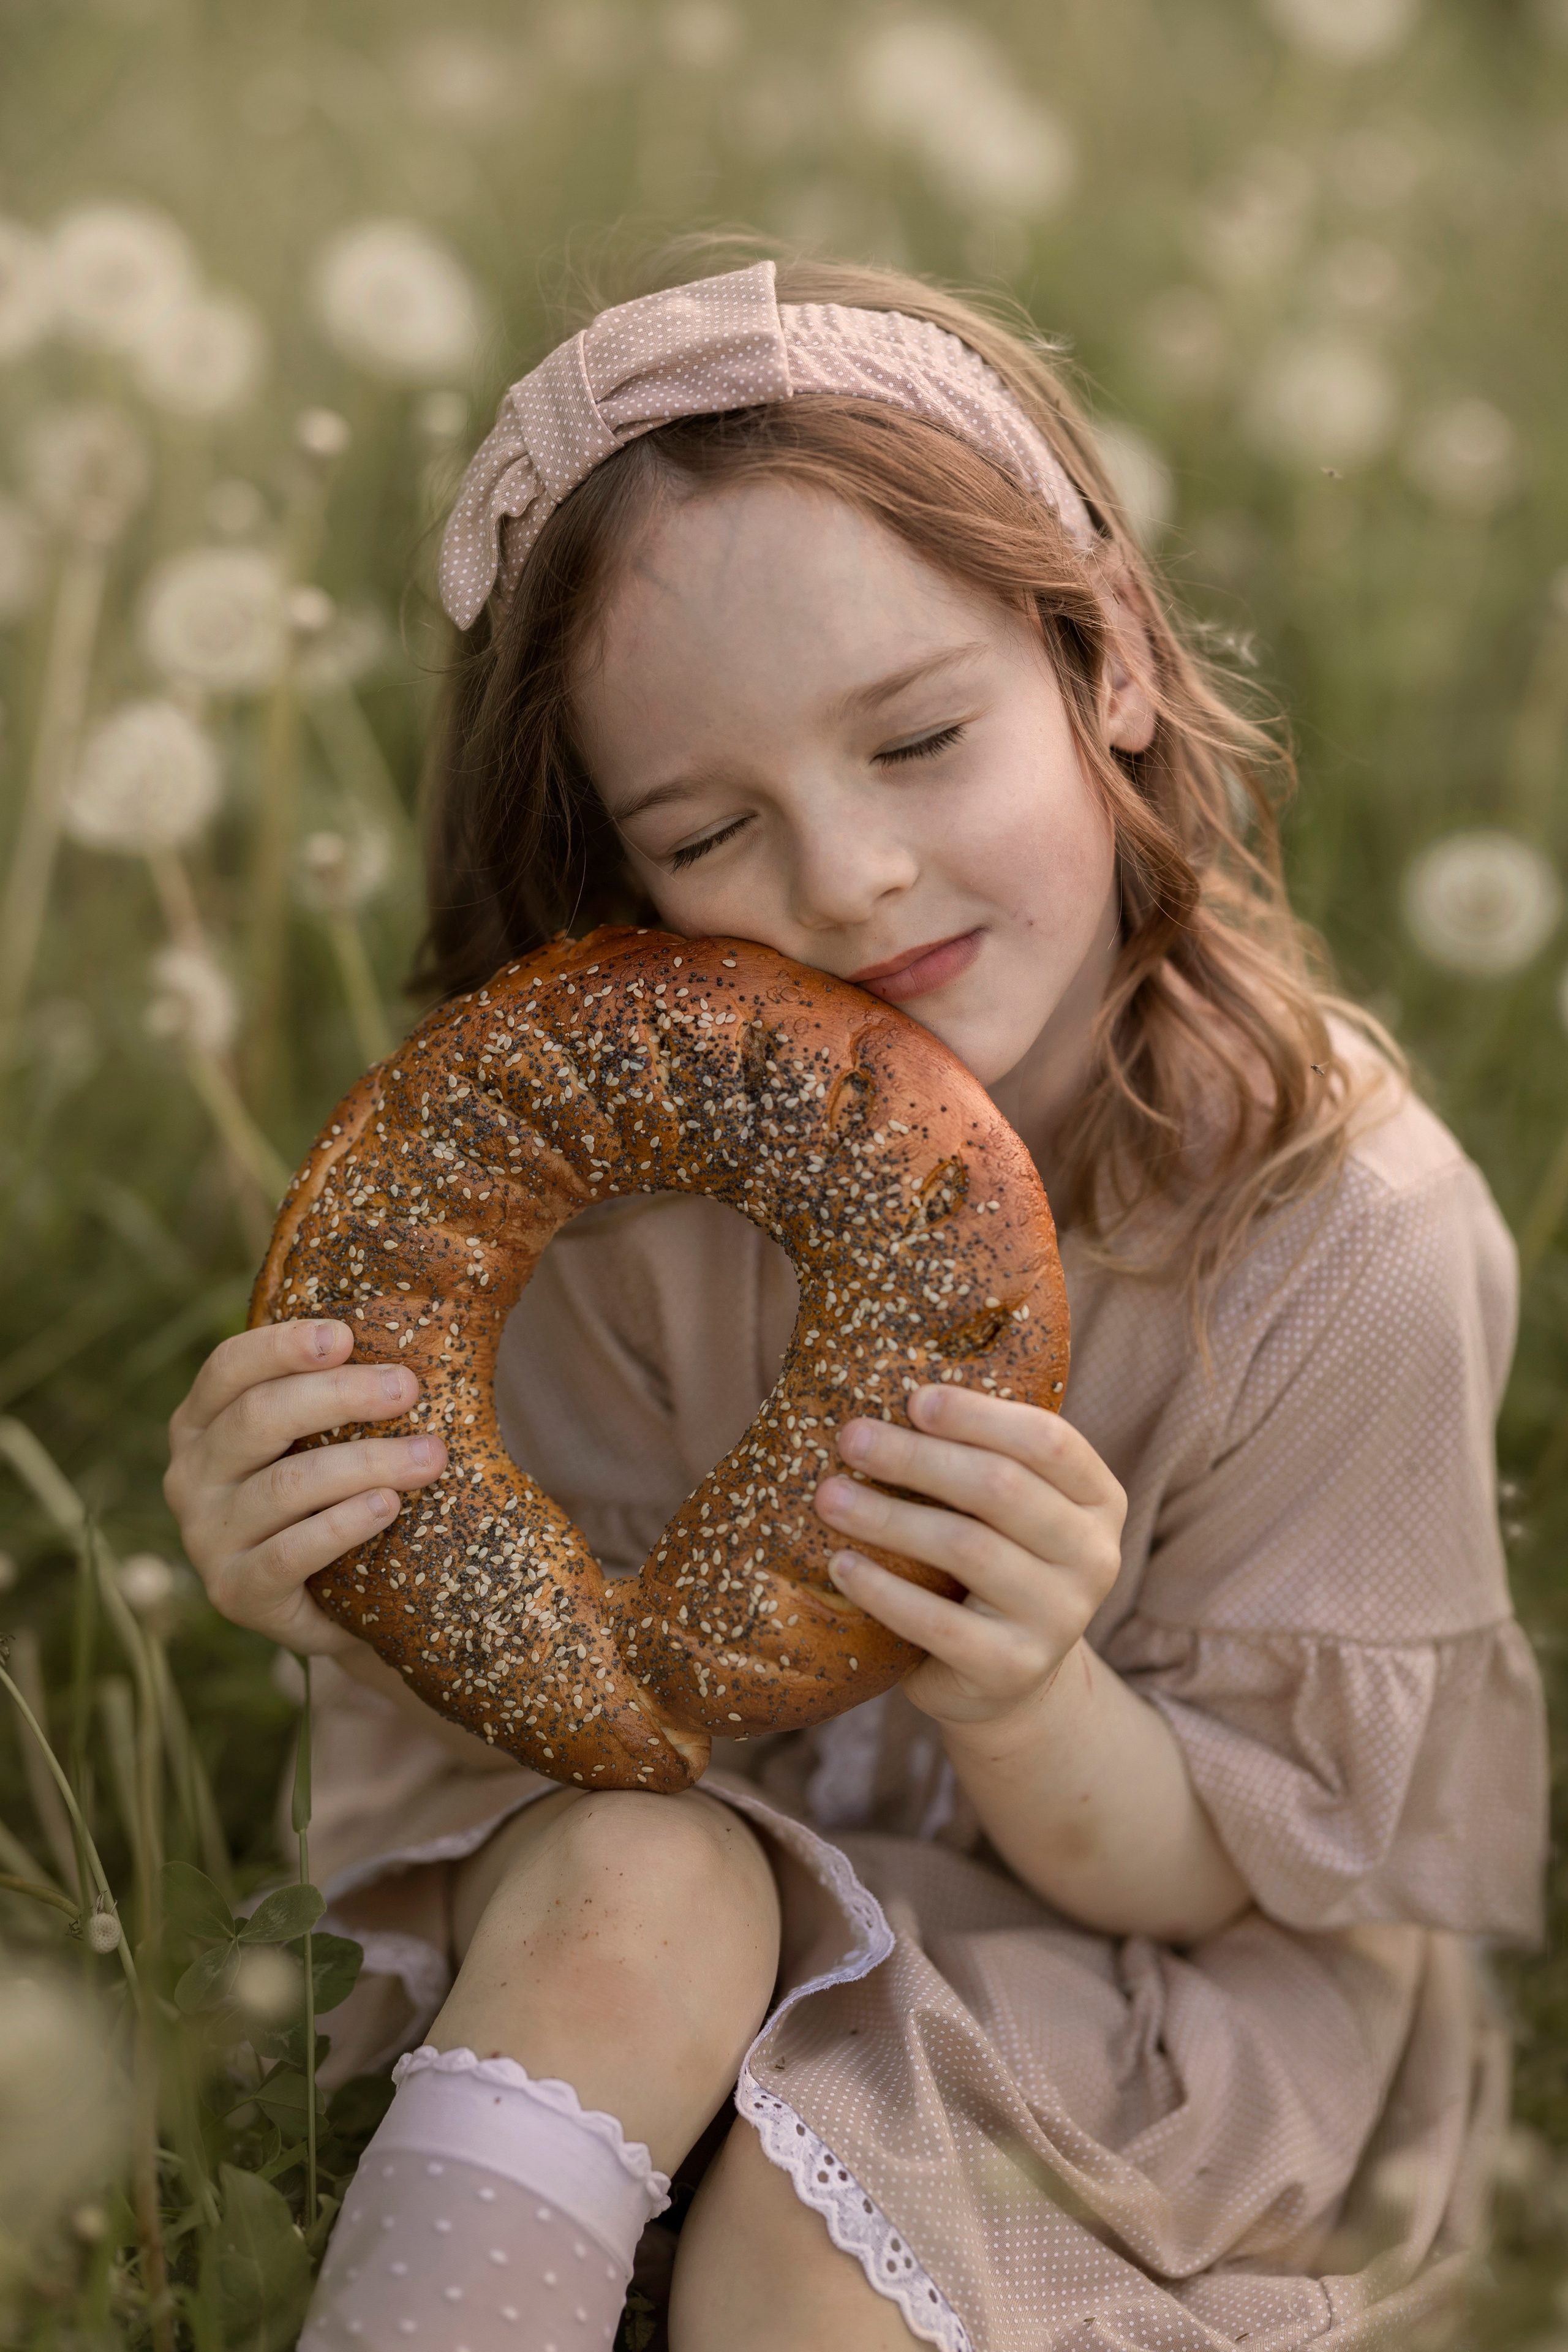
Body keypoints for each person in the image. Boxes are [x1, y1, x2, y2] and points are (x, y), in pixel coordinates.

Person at [164, 252, 1547, 2352]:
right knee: (640, 1895)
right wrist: (324, 1578)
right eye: (711, 825)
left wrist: (1026, 1692)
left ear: (1109, 663)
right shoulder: (595, 1199)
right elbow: (583, 1731)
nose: (849, 876)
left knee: (810, 2263)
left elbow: (1250, 1869)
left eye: (917, 737)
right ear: (619, 871)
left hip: (1145, 1969)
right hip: (653, 1886)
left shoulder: (1349, 1235)